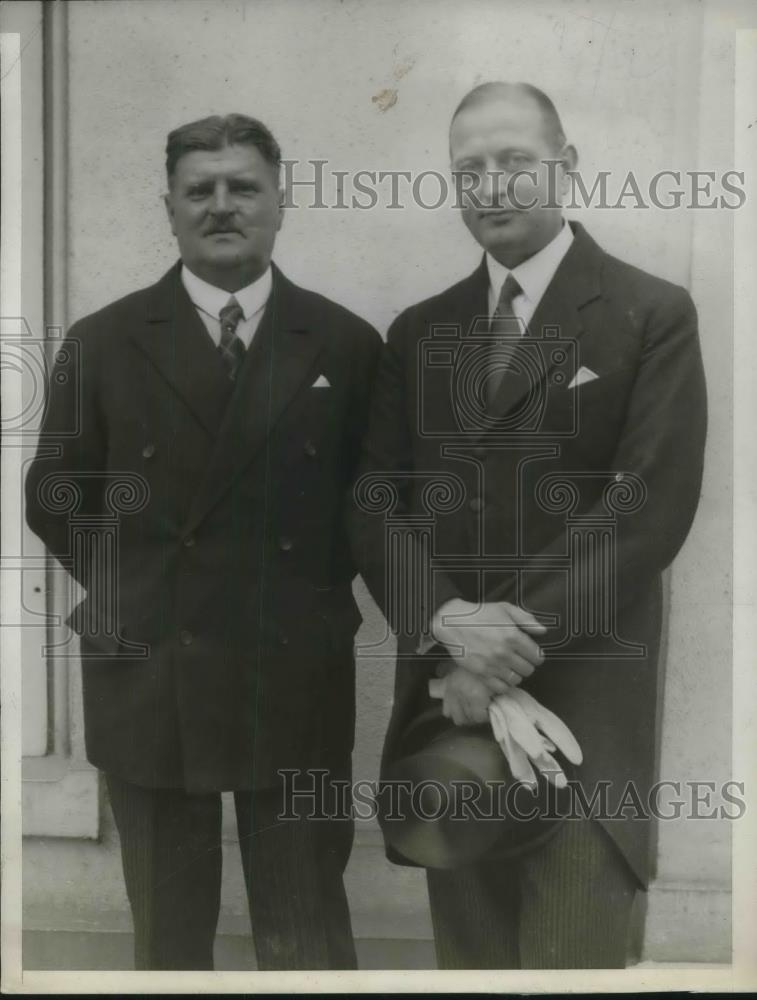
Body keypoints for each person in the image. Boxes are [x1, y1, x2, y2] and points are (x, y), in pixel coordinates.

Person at [350, 82, 707, 968]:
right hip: (450, 725)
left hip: (585, 724)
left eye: (514, 161)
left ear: (566, 168)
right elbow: (371, 500)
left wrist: (495, 647)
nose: (491, 185)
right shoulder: (418, 330)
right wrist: (443, 626)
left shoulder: (650, 314)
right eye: (467, 168)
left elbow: (645, 509)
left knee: (570, 968)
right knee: (469, 969)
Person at [25, 113, 381, 971]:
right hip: (149, 667)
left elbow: (378, 502)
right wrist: (139, 585)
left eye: (243, 187)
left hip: (291, 669)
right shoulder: (103, 340)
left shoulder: (346, 341)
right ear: (171, 208)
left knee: (306, 932)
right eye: (200, 190)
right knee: (168, 933)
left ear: (280, 201)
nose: (222, 206)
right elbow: (53, 492)